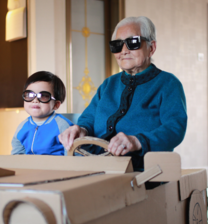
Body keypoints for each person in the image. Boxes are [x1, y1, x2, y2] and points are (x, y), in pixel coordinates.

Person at [59, 16, 187, 170]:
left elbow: (175, 128)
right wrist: (81, 129)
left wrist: (137, 141)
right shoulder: (108, 84)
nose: (124, 51)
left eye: (133, 43)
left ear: (151, 48)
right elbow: (89, 118)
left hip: (144, 172)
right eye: (117, 45)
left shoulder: (168, 83)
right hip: (96, 166)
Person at [12, 71, 74, 156]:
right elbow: (17, 154)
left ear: (56, 105)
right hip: (30, 168)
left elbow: (72, 154)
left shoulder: (63, 126)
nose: (35, 100)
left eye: (44, 96)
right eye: (30, 94)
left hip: (56, 167)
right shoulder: (22, 126)